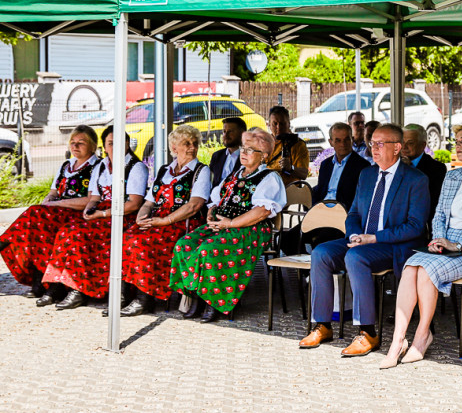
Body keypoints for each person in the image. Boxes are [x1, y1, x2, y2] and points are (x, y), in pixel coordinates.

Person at [380, 125, 462, 368]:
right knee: (411, 267)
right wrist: (439, 241)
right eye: (457, 140)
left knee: (426, 270)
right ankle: (398, 340)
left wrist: (457, 244)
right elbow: (438, 215)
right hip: (447, 246)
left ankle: (421, 336)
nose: (458, 145)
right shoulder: (451, 177)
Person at [300, 123, 429, 355]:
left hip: (393, 246)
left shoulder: (415, 179)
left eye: (381, 144)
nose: (374, 148)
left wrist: (374, 238)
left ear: (397, 147)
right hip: (363, 241)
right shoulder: (367, 174)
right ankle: (323, 324)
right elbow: (354, 214)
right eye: (372, 143)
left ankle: (368, 332)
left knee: (356, 257)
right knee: (321, 252)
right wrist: (354, 235)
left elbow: (416, 227)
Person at [169, 128, 286, 323]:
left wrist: (230, 223)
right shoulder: (236, 174)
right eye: (243, 148)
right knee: (184, 245)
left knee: (209, 249)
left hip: (251, 228)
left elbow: (262, 212)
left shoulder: (270, 178)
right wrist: (211, 214)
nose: (244, 153)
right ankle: (195, 295)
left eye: (250, 150)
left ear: (264, 156)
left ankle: (213, 303)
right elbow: (216, 198)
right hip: (223, 224)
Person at [41, 126, 149, 310]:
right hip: (101, 213)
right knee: (66, 232)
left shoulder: (136, 167)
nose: (115, 147)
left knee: (77, 235)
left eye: (119, 143)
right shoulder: (101, 166)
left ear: (128, 144)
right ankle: (61, 285)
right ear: (105, 147)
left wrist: (103, 213)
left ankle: (79, 290)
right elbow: (94, 197)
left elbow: (133, 204)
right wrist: (89, 210)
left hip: (123, 215)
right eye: (110, 143)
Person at [117, 125, 211, 316]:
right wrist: (140, 217)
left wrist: (165, 220)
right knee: (126, 238)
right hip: (159, 221)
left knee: (143, 243)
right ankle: (126, 292)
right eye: (187, 143)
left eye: (195, 143)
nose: (192, 147)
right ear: (174, 148)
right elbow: (149, 201)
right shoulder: (164, 171)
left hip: (182, 223)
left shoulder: (201, 171)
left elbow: (194, 205)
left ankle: (145, 297)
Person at [0, 125, 101, 302]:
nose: (75, 146)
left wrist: (57, 204)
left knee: (36, 216)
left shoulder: (97, 167)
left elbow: (89, 200)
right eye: (73, 142)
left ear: (93, 146)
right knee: (37, 227)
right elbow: (53, 192)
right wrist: (48, 202)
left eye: (81, 143)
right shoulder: (66, 165)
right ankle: (42, 281)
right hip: (55, 213)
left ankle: (7, 242)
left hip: (77, 214)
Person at [280, 122, 370, 257]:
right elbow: (320, 190)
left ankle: (318, 271)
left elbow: (360, 199)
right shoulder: (326, 165)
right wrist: (313, 208)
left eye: (347, 139)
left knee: (321, 242)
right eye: (338, 140)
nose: (343, 144)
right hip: (320, 213)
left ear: (352, 140)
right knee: (286, 240)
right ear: (331, 142)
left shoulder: (363, 166)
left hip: (342, 216)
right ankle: (308, 273)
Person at [403, 123, 446, 219]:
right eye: (402, 142)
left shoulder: (437, 168)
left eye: (410, 143)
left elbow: (432, 203)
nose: (404, 147)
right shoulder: (396, 165)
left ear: (422, 145)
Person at [267, 105, 309, 186]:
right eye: (275, 124)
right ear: (269, 125)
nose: (278, 127)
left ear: (289, 124)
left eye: (282, 123)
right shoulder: (264, 143)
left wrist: (291, 168)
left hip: (289, 192)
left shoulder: (298, 145)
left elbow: (304, 174)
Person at [209, 116, 246, 187]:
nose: (225, 135)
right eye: (224, 131)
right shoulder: (217, 156)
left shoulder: (248, 157)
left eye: (230, 131)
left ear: (242, 134)